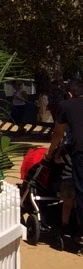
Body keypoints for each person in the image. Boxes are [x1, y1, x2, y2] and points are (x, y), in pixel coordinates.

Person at [44, 78, 83, 231]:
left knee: (81, 189)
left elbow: (58, 133)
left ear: (70, 94)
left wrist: (51, 151)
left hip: (80, 151)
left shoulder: (66, 105)